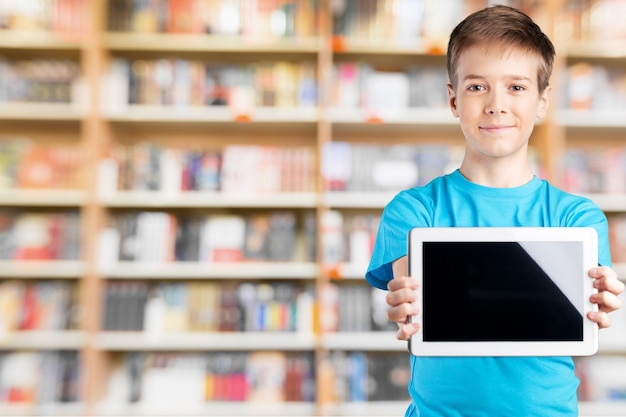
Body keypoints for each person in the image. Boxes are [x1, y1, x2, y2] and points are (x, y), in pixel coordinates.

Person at [365, 4, 625, 416]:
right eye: (476, 87)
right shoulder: (413, 211)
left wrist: (601, 298)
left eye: (517, 87)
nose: (496, 105)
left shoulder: (577, 218)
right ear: (452, 99)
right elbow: (417, 311)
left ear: (543, 100)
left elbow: (585, 313)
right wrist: (405, 306)